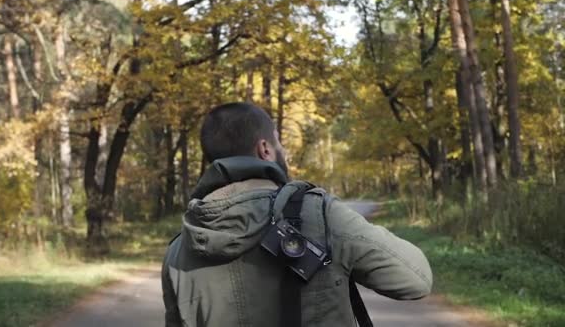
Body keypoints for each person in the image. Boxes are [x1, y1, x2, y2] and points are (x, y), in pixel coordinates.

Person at [161, 102, 432, 327]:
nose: (285, 151)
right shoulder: (319, 212)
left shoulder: (179, 251)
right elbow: (415, 280)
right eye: (280, 142)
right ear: (264, 149)